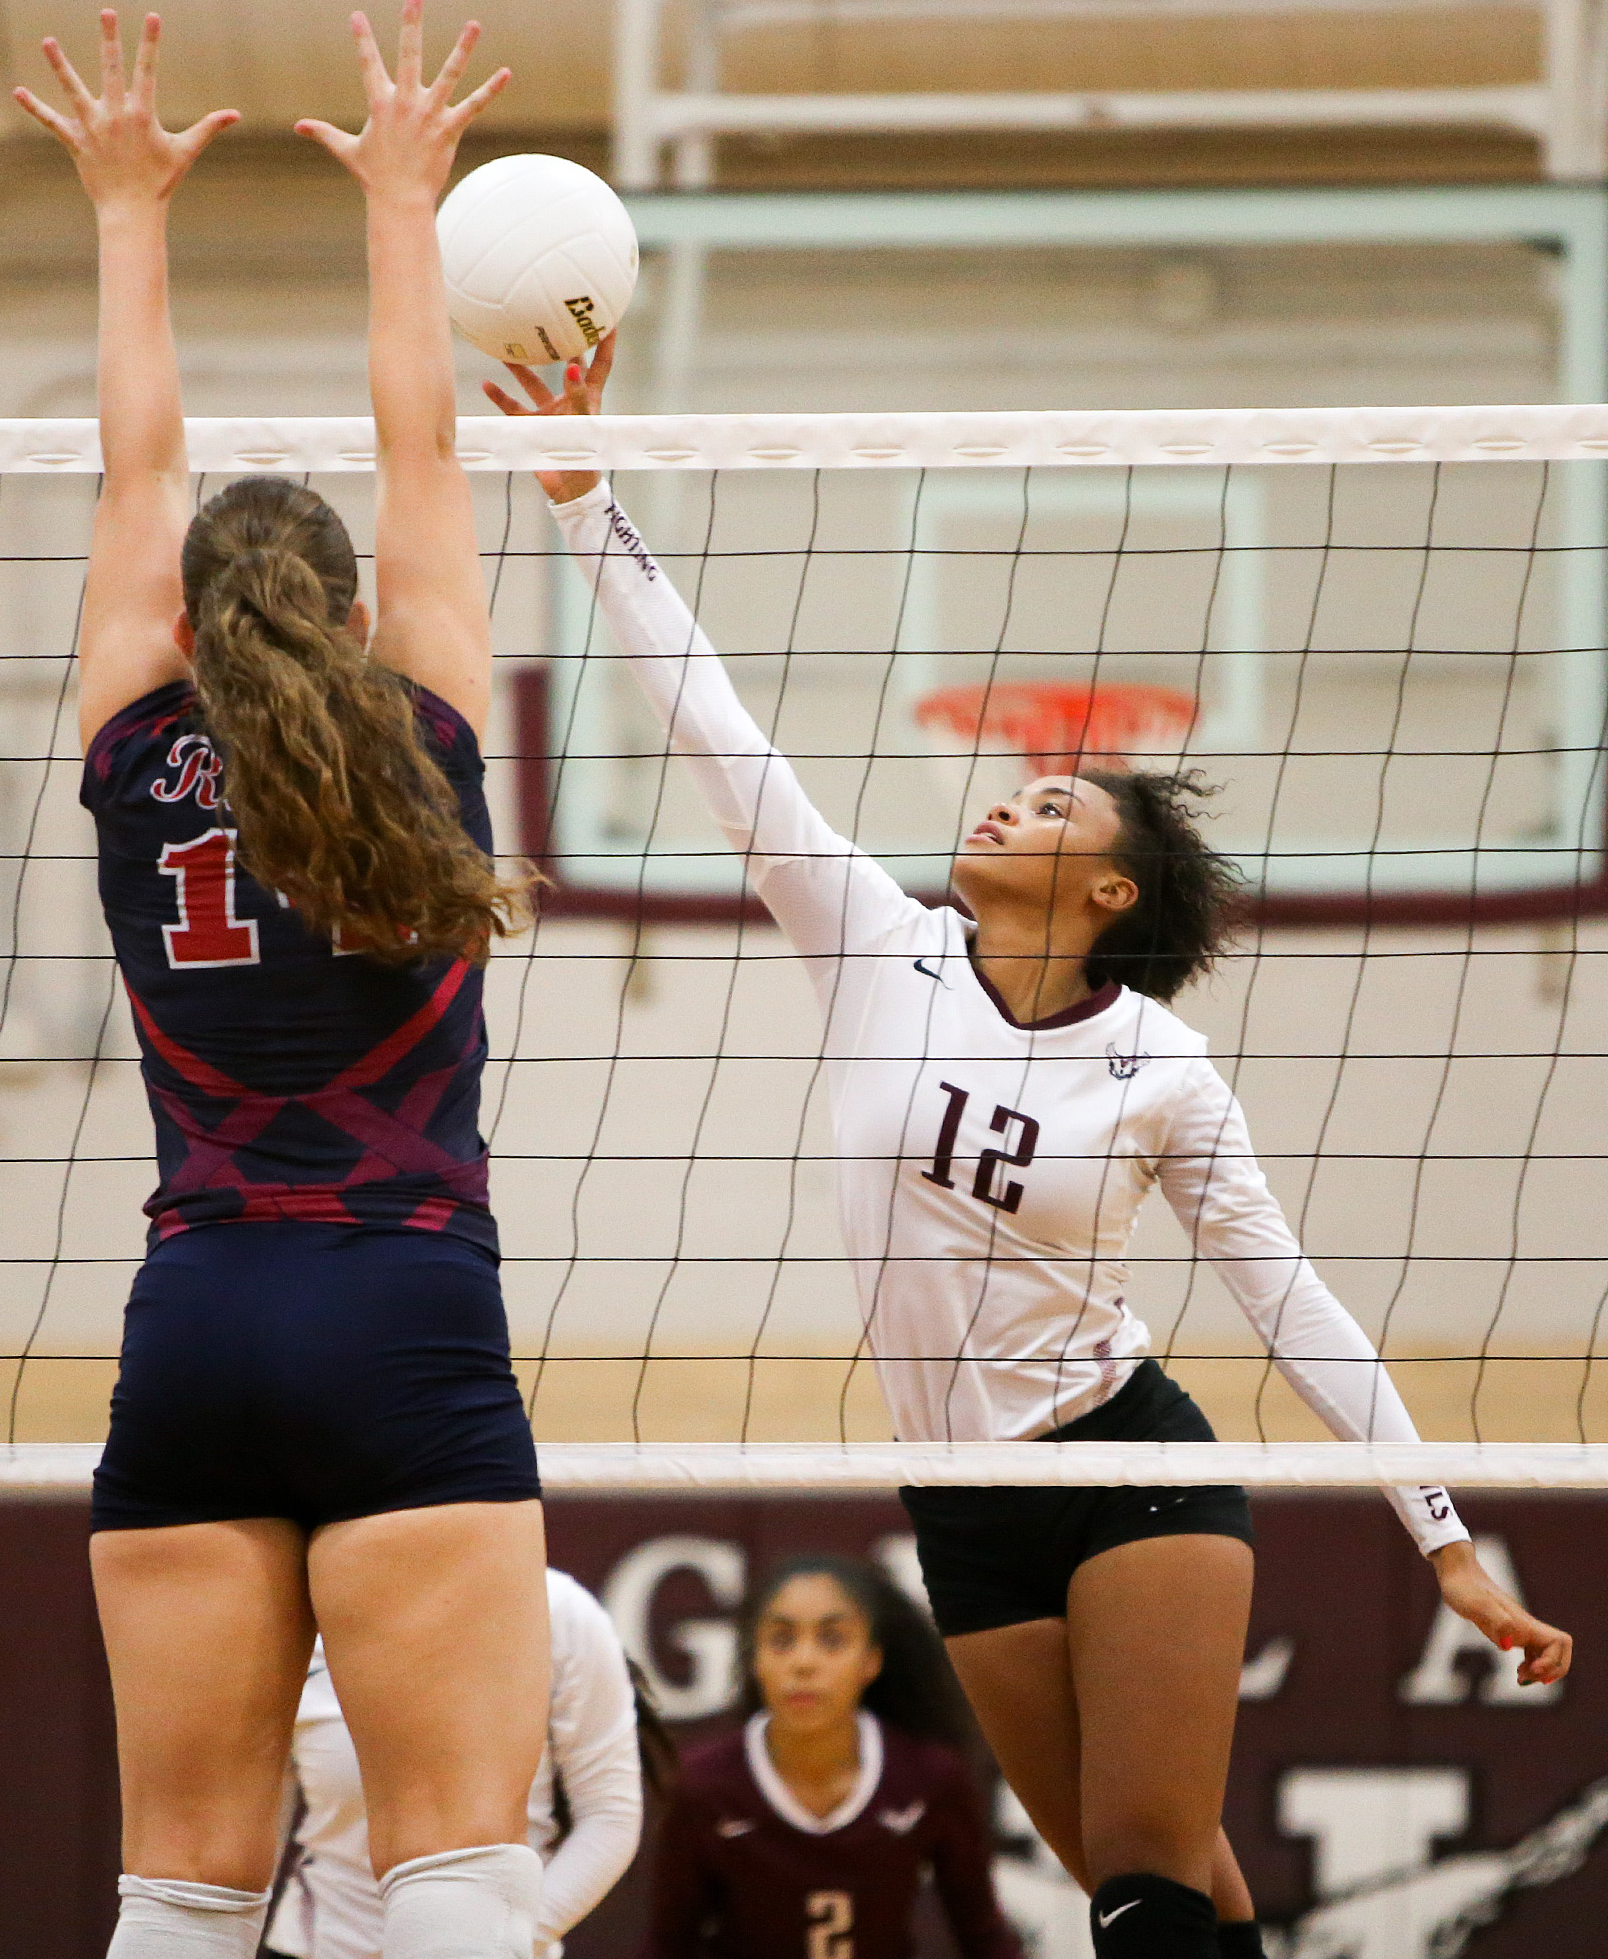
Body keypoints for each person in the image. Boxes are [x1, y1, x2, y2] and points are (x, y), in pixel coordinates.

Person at [486, 341, 1574, 1959]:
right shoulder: (874, 943)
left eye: (1054, 809)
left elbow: (1291, 1307)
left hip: (1124, 1464)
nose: (1007, 805)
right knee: (1166, 1886)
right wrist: (586, 499)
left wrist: (1445, 1545)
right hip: (959, 1497)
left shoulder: (1161, 1072)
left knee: (1139, 1884)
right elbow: (715, 731)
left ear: (1110, 893)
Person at [14, 0, 551, 1959]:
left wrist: (124, 208)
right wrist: (406, 203)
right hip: (404, 1310)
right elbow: (424, 440)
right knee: (451, 1863)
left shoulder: (129, 735)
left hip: (198, 1326)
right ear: (351, 607)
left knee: (178, 1884)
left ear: (181, 615)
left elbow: (133, 460)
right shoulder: (426, 726)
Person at [265, 1568, 663, 1959]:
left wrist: (495, 1947)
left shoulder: (558, 1608)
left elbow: (609, 1816)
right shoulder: (299, 1615)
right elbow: (256, 1819)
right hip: (319, 1946)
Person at [649, 1555, 1019, 1959]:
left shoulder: (929, 1778)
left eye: (832, 1639)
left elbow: (984, 1938)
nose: (804, 1663)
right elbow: (666, 1946)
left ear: (871, 1661)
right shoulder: (703, 1787)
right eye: (781, 1640)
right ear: (755, 1659)